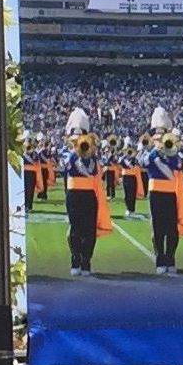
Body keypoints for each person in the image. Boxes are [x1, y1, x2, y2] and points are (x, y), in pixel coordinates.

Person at [61, 109, 110, 276]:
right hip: (74, 194)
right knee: (75, 228)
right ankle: (75, 259)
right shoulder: (67, 154)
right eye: (74, 140)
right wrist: (75, 151)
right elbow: (64, 167)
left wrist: (92, 151)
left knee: (89, 229)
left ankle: (86, 260)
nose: (78, 142)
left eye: (80, 139)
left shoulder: (93, 155)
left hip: (89, 194)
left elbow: (98, 171)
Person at [144, 107, 183, 275]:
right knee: (157, 229)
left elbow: (180, 165)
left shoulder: (173, 154)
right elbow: (143, 162)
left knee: (171, 228)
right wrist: (155, 151)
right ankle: (160, 259)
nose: (159, 141)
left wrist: (170, 152)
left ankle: (170, 258)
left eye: (161, 138)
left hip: (171, 194)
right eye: (156, 138)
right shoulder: (150, 154)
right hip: (155, 194)